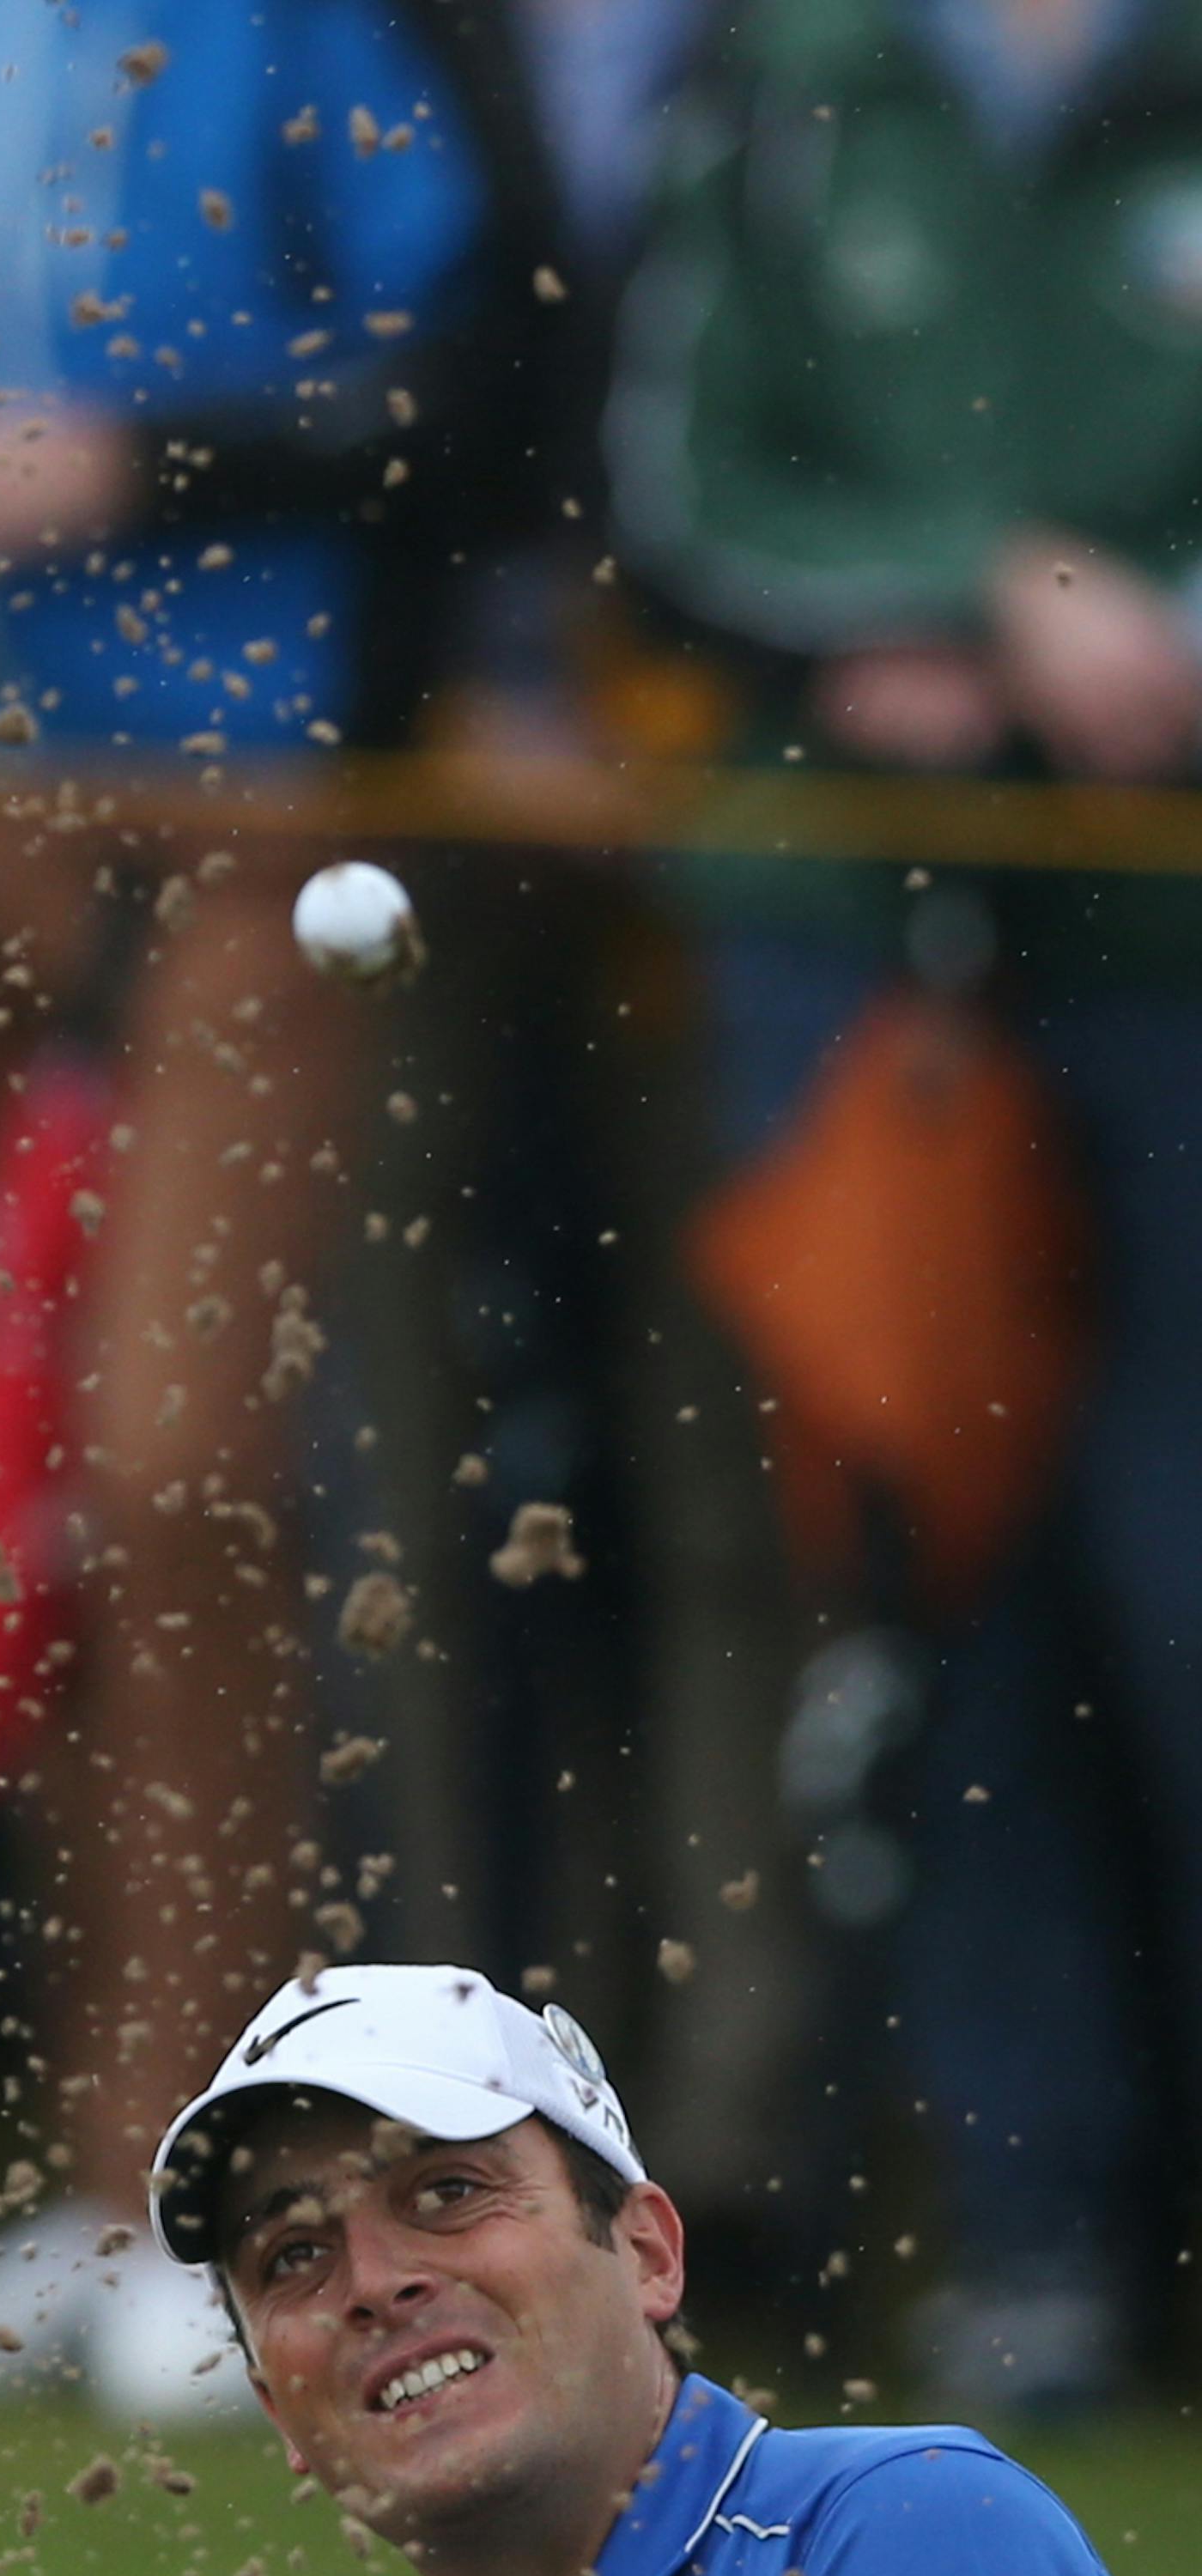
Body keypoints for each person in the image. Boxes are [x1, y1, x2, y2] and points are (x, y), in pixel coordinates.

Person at [0, 0, 566, 2417]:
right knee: (10, 1503)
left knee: (181, 1464)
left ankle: (221, 2190)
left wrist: (131, 458)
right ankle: (101, 2181)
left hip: (228, 785)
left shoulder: (301, 17)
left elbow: (454, 374)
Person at [602, 0, 1202, 2406]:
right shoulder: (790, 69)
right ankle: (1034, 2217)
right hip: (857, 937)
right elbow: (674, 477)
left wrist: (1135, 636)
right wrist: (970, 584)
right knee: (925, 1579)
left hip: (1169, 932)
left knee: (1179, 1566)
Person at [149, 1963, 1198, 2576]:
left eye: (448, 2193)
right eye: (293, 2256)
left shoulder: (906, 2540)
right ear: (278, 2410)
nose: (376, 2284)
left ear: (648, 2252)